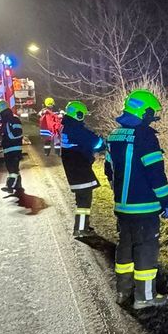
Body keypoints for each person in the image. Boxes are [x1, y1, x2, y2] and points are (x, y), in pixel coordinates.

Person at [105, 89, 168, 309]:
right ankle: (145, 298)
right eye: (151, 113)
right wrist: (167, 201)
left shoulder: (114, 136)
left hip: (123, 209)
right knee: (145, 251)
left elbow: (109, 170)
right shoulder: (146, 138)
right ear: (144, 112)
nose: (153, 117)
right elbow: (156, 175)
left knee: (125, 248)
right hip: (144, 209)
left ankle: (123, 292)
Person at [60, 100, 105, 237]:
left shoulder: (67, 128)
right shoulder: (76, 129)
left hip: (75, 171)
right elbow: (96, 142)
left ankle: (82, 226)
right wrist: (101, 143)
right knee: (84, 201)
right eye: (82, 114)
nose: (83, 117)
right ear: (77, 114)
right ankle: (80, 229)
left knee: (82, 200)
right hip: (80, 171)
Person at [0, 100, 24, 194]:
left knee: (12, 168)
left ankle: (10, 185)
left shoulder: (13, 119)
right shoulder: (4, 120)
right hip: (8, 147)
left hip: (14, 147)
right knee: (12, 167)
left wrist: (8, 135)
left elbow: (18, 133)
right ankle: (18, 185)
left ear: (1, 107)